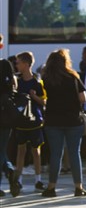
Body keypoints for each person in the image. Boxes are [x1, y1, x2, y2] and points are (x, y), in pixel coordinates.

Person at [41, 49, 86, 197]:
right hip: (73, 120)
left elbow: (44, 98)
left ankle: (51, 187)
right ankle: (78, 187)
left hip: (53, 120)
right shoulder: (73, 77)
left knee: (56, 154)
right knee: (74, 153)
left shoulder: (47, 78)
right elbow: (83, 98)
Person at [13, 52, 47, 195]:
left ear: (26, 64)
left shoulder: (37, 82)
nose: (16, 65)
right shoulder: (16, 81)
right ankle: (18, 180)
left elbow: (44, 101)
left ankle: (38, 180)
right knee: (20, 150)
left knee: (36, 151)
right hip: (21, 122)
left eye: (18, 62)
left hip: (35, 122)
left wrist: (34, 96)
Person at [0, 39, 19, 197]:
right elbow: (14, 86)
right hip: (5, 113)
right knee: (2, 148)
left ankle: (8, 171)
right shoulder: (6, 64)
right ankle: (9, 169)